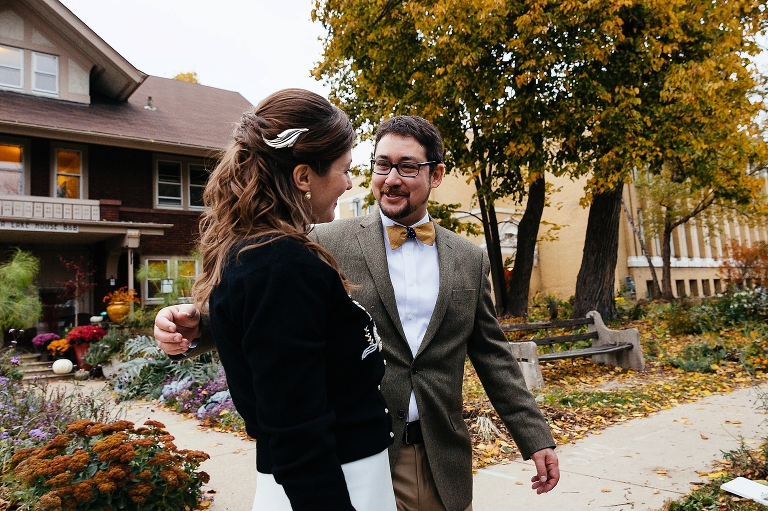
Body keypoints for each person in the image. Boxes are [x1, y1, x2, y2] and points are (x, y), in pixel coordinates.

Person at [156, 115, 559, 511]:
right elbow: (273, 314)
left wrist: (534, 436)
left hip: (441, 456)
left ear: (436, 175)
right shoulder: (319, 239)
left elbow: (491, 354)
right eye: (382, 165)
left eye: (407, 166)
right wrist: (196, 328)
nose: (391, 178)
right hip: (356, 456)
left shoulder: (469, 259)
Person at [183, 88, 397, 511]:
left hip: (340, 476)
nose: (350, 183)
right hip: (334, 483)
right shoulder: (280, 267)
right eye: (344, 169)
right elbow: (294, 425)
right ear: (303, 176)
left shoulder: (260, 254)